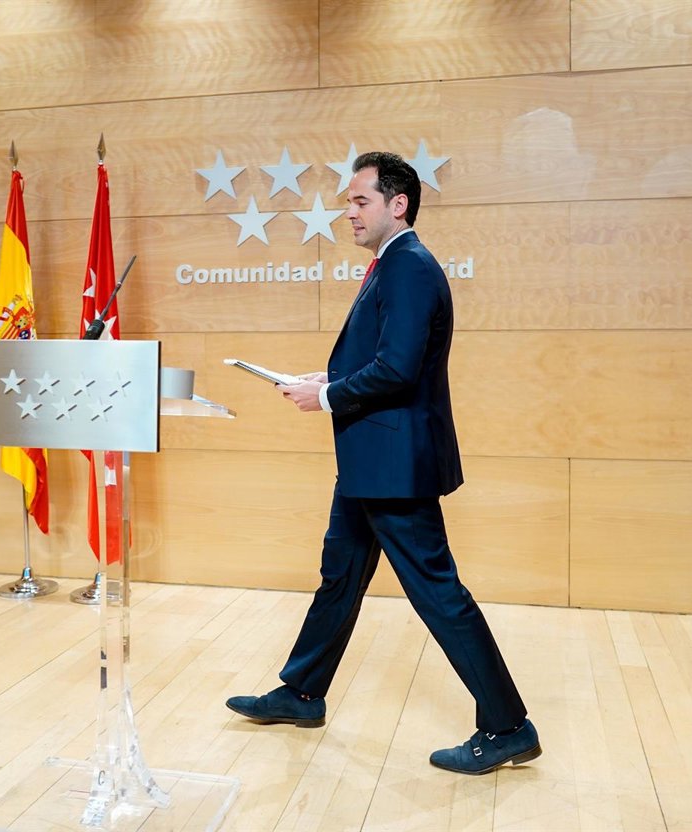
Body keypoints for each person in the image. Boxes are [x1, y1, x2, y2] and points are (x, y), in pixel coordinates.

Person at [225, 151, 540, 775]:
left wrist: (327, 398)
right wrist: (328, 379)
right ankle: (301, 693)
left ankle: (508, 726)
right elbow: (383, 359)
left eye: (359, 200)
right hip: (371, 461)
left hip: (394, 466)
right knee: (339, 576)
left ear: (398, 204)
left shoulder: (409, 267)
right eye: (349, 201)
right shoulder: (392, 265)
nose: (348, 212)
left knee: (438, 593)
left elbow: (398, 370)